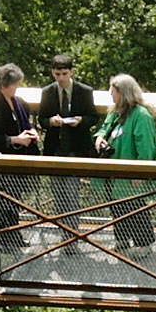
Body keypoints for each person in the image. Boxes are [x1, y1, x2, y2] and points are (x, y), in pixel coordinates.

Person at [0, 63, 39, 258]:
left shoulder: (20, 102)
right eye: (14, 84)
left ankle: (14, 234)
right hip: (3, 160)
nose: (16, 88)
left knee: (16, 200)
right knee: (4, 202)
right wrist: (15, 139)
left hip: (21, 159)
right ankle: (3, 239)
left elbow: (27, 124)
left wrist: (31, 134)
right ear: (4, 85)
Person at [38, 52, 101, 228]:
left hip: (76, 149)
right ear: (52, 73)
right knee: (58, 194)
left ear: (71, 72)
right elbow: (41, 119)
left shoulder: (84, 91)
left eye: (64, 74)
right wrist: (51, 121)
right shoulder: (48, 92)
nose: (61, 78)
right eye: (57, 74)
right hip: (55, 149)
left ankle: (72, 232)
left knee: (72, 193)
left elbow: (93, 117)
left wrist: (80, 120)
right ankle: (63, 231)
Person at [98, 73, 156, 250]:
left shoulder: (141, 115)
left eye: (113, 92)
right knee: (116, 206)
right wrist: (99, 138)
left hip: (131, 173)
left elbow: (146, 147)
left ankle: (144, 244)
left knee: (135, 207)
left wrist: (139, 171)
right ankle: (122, 240)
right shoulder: (116, 111)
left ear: (123, 93)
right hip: (113, 172)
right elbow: (104, 129)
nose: (111, 95)